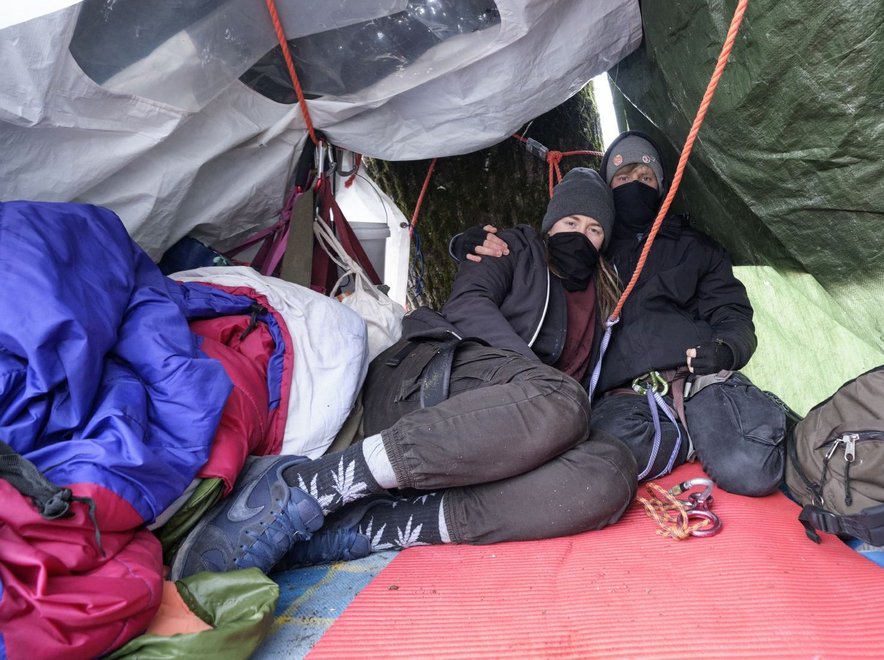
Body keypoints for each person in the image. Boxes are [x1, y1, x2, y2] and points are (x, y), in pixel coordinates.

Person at [171, 168, 638, 578]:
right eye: (572, 222)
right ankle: (307, 489)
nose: (581, 234)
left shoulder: (601, 301)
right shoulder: (511, 247)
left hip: (498, 435)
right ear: (551, 222)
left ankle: (377, 525)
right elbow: (468, 304)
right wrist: (533, 379)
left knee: (610, 474)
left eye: (594, 228)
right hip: (429, 378)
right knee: (562, 400)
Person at [452, 132, 787, 497]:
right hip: (623, 398)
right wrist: (469, 244)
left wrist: (727, 348)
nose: (634, 185)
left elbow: (733, 313)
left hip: (696, 380)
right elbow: (533, 257)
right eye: (623, 178)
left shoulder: (697, 248)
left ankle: (725, 425)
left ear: (662, 187)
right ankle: (693, 438)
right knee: (589, 471)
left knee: (752, 468)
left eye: (645, 178)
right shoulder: (591, 253)